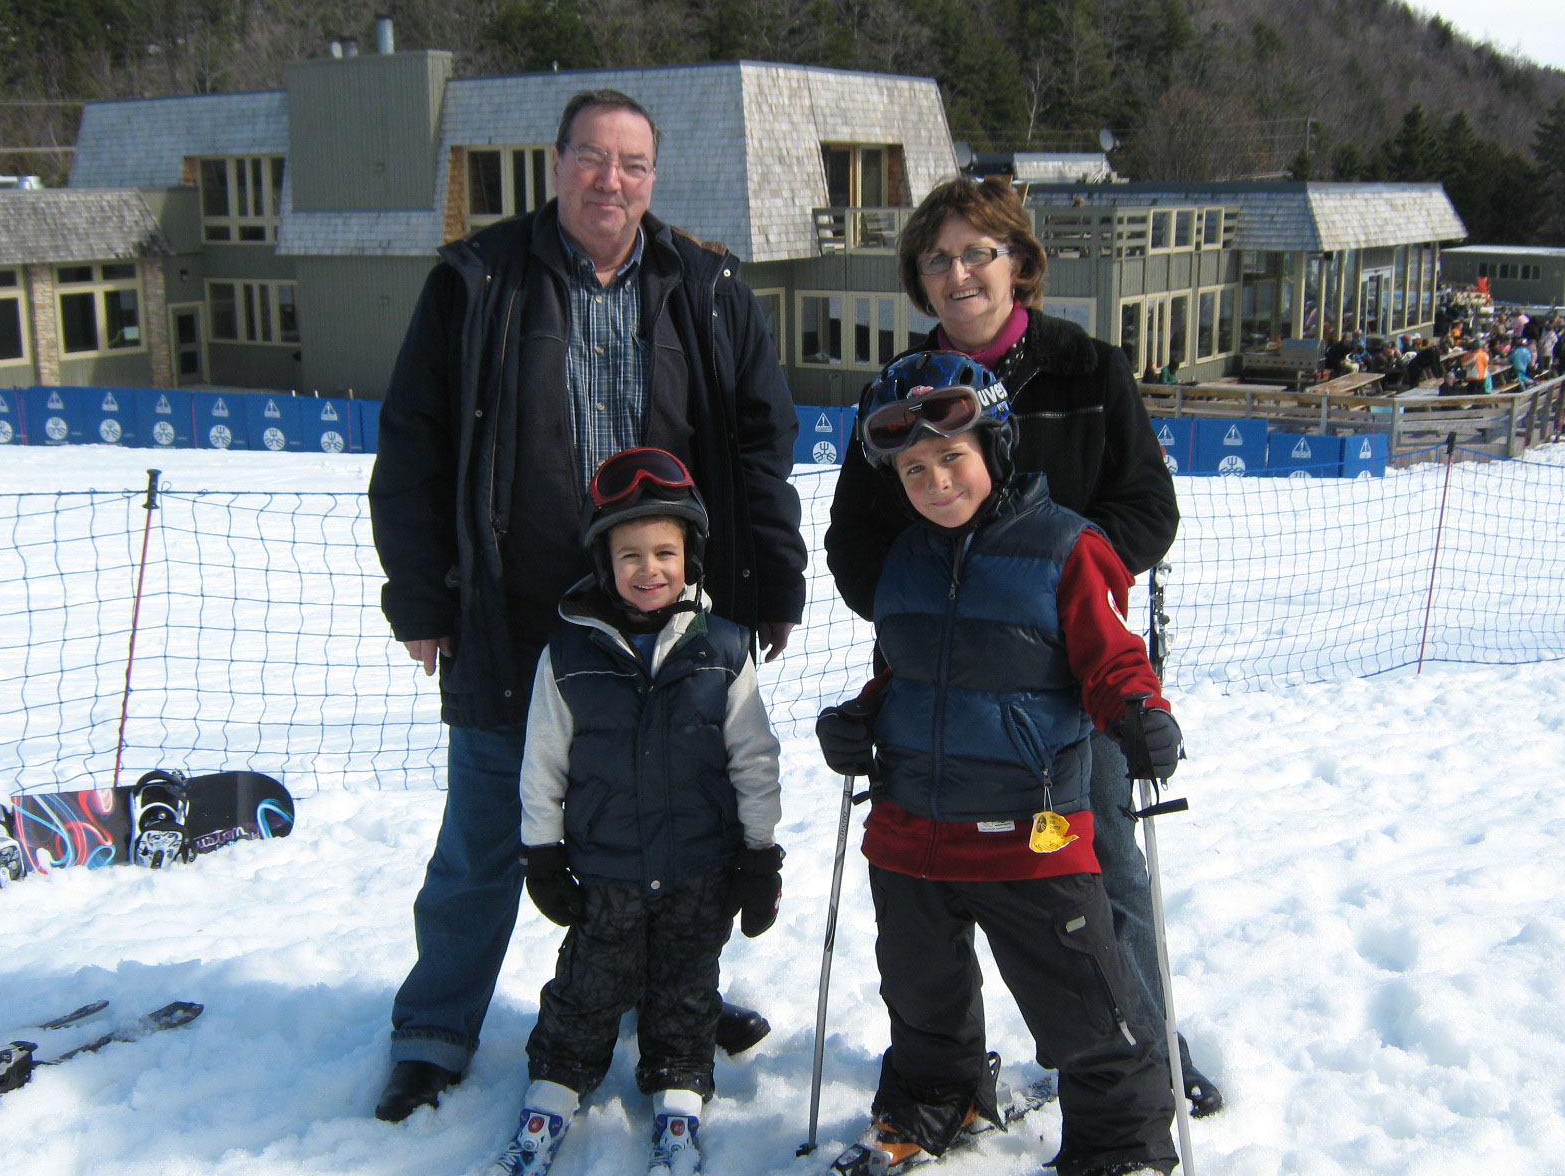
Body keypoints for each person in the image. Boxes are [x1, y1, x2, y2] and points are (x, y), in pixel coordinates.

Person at [367, 87, 807, 1123]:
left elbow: (758, 450)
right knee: (483, 835)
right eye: (593, 159)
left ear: (656, 178)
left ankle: (664, 997)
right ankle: (434, 1032)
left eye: (634, 164)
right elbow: (414, 447)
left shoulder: (702, 288)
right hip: (512, 618)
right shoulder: (478, 281)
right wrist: (422, 595)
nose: (612, 181)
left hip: (663, 625)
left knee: (663, 837)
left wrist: (768, 587)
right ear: (556, 163)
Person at [822, 176, 1221, 1118]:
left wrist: (1052, 583)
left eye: (976, 253)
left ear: (1016, 263)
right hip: (957, 681)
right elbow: (854, 533)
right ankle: (945, 1070)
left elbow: (1147, 509)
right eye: (936, 260)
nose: (957, 274)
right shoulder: (904, 389)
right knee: (937, 883)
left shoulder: (1088, 368)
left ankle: (1146, 1047)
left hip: (1073, 677)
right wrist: (921, 608)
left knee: (1103, 870)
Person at [816, 352, 1179, 1176]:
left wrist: (1139, 713)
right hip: (911, 834)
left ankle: (1120, 1144)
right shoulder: (904, 560)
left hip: (1032, 834)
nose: (936, 481)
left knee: (1084, 1004)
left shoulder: (1067, 549)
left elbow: (1111, 660)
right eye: (914, 469)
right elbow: (908, 672)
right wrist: (861, 720)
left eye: (952, 459)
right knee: (921, 996)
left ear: (995, 447)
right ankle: (937, 1097)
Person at [486, 448, 784, 1176]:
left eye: (665, 553)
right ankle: (548, 1103)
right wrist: (541, 852)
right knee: (585, 992)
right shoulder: (568, 656)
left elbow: (754, 759)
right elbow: (544, 762)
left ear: (690, 558)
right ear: (602, 561)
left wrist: (761, 854)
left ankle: (678, 1113)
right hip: (606, 874)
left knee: (687, 993)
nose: (648, 570)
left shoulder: (724, 651)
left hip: (700, 872)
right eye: (630, 555)